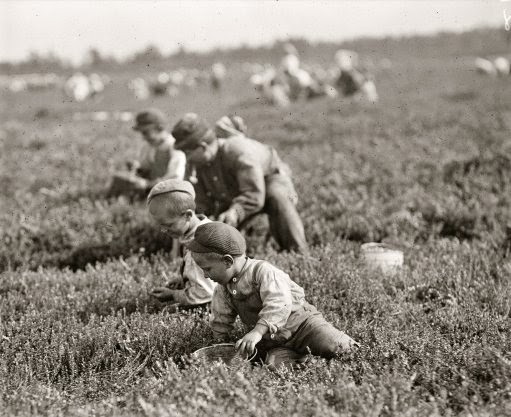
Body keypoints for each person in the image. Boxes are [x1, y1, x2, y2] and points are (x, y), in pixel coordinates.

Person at [188, 222, 359, 368]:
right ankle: (308, 360)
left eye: (207, 269)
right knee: (274, 364)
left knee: (337, 346)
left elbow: (278, 303)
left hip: (304, 326)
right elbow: (220, 319)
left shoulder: (263, 272)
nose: (205, 275)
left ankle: (357, 353)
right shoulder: (222, 289)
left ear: (227, 261)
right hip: (277, 341)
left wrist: (257, 332)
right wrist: (220, 347)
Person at [172, 113, 308, 253]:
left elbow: (254, 194)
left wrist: (235, 212)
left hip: (269, 180)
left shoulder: (237, 151)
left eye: (187, 152)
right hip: (236, 193)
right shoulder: (195, 164)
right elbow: (200, 204)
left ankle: (298, 252)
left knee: (277, 197)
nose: (187, 158)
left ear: (203, 146)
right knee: (219, 224)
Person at [146, 179, 216, 308]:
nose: (163, 230)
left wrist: (174, 295)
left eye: (169, 225)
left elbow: (205, 293)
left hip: (221, 304)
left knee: (167, 311)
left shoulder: (199, 246)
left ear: (188, 215)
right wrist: (183, 280)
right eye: (161, 225)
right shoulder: (205, 228)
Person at [108, 108, 186, 197]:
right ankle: (111, 200)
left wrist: (147, 184)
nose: (144, 137)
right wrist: (137, 167)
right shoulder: (150, 146)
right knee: (119, 178)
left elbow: (175, 177)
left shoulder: (174, 146)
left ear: (159, 128)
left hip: (170, 190)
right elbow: (146, 167)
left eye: (146, 133)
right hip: (153, 186)